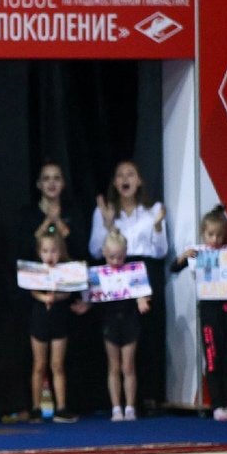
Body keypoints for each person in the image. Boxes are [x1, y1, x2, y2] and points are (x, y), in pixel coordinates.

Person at [88, 160, 168, 412]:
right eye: (120, 175)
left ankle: (149, 397)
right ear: (114, 182)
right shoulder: (104, 210)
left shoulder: (153, 209)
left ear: (140, 180)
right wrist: (109, 222)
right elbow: (94, 250)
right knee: (116, 337)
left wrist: (156, 226)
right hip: (115, 276)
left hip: (144, 272)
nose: (125, 179)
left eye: (131, 174)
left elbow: (162, 250)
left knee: (147, 333)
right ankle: (116, 403)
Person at [171, 204, 227, 421]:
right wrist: (184, 256)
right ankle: (216, 405)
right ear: (203, 233)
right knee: (213, 358)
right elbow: (173, 268)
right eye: (211, 234)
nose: (215, 239)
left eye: (220, 235)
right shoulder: (198, 254)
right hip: (210, 312)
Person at [26, 230, 88, 423]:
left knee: (57, 365)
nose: (49, 255)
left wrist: (57, 296)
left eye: (54, 251)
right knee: (39, 365)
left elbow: (69, 292)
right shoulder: (34, 270)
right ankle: (36, 408)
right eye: (45, 251)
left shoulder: (66, 271)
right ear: (39, 252)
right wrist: (45, 297)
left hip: (59, 318)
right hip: (39, 318)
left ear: (60, 252)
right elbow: (32, 290)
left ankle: (61, 407)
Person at [96, 228, 150, 421]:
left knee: (128, 366)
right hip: (110, 322)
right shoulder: (100, 274)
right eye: (112, 257)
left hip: (129, 321)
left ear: (126, 253)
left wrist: (142, 300)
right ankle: (116, 407)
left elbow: (141, 290)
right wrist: (84, 305)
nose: (117, 262)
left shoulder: (133, 271)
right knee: (114, 366)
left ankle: (130, 407)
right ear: (103, 253)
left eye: (120, 257)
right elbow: (92, 295)